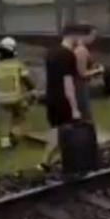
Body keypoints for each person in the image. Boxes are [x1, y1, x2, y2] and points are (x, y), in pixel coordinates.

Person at [38, 24, 87, 173]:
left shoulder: (51, 53)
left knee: (55, 130)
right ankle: (68, 163)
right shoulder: (68, 55)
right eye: (78, 36)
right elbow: (68, 82)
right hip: (63, 99)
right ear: (72, 35)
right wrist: (74, 108)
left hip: (51, 97)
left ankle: (46, 163)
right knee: (66, 132)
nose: (79, 39)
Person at [0, 37, 35, 150]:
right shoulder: (18, 64)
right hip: (17, 98)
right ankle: (14, 134)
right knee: (19, 117)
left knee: (4, 121)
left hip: (2, 99)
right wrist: (32, 89)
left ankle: (4, 143)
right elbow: (27, 80)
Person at [72, 25, 104, 123]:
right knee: (85, 115)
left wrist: (93, 67)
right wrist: (99, 71)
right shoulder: (81, 50)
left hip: (78, 85)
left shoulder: (77, 48)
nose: (93, 38)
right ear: (85, 35)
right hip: (80, 86)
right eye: (92, 35)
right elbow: (82, 73)